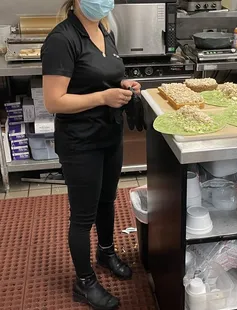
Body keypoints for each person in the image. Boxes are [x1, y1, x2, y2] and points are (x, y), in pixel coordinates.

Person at [41, 0, 141, 309]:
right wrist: (103, 97)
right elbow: (54, 102)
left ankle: (106, 251)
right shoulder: (62, 39)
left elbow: (103, 76)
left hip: (109, 135)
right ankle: (84, 283)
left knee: (107, 200)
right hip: (80, 142)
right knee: (83, 216)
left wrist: (121, 84)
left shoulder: (104, 30)